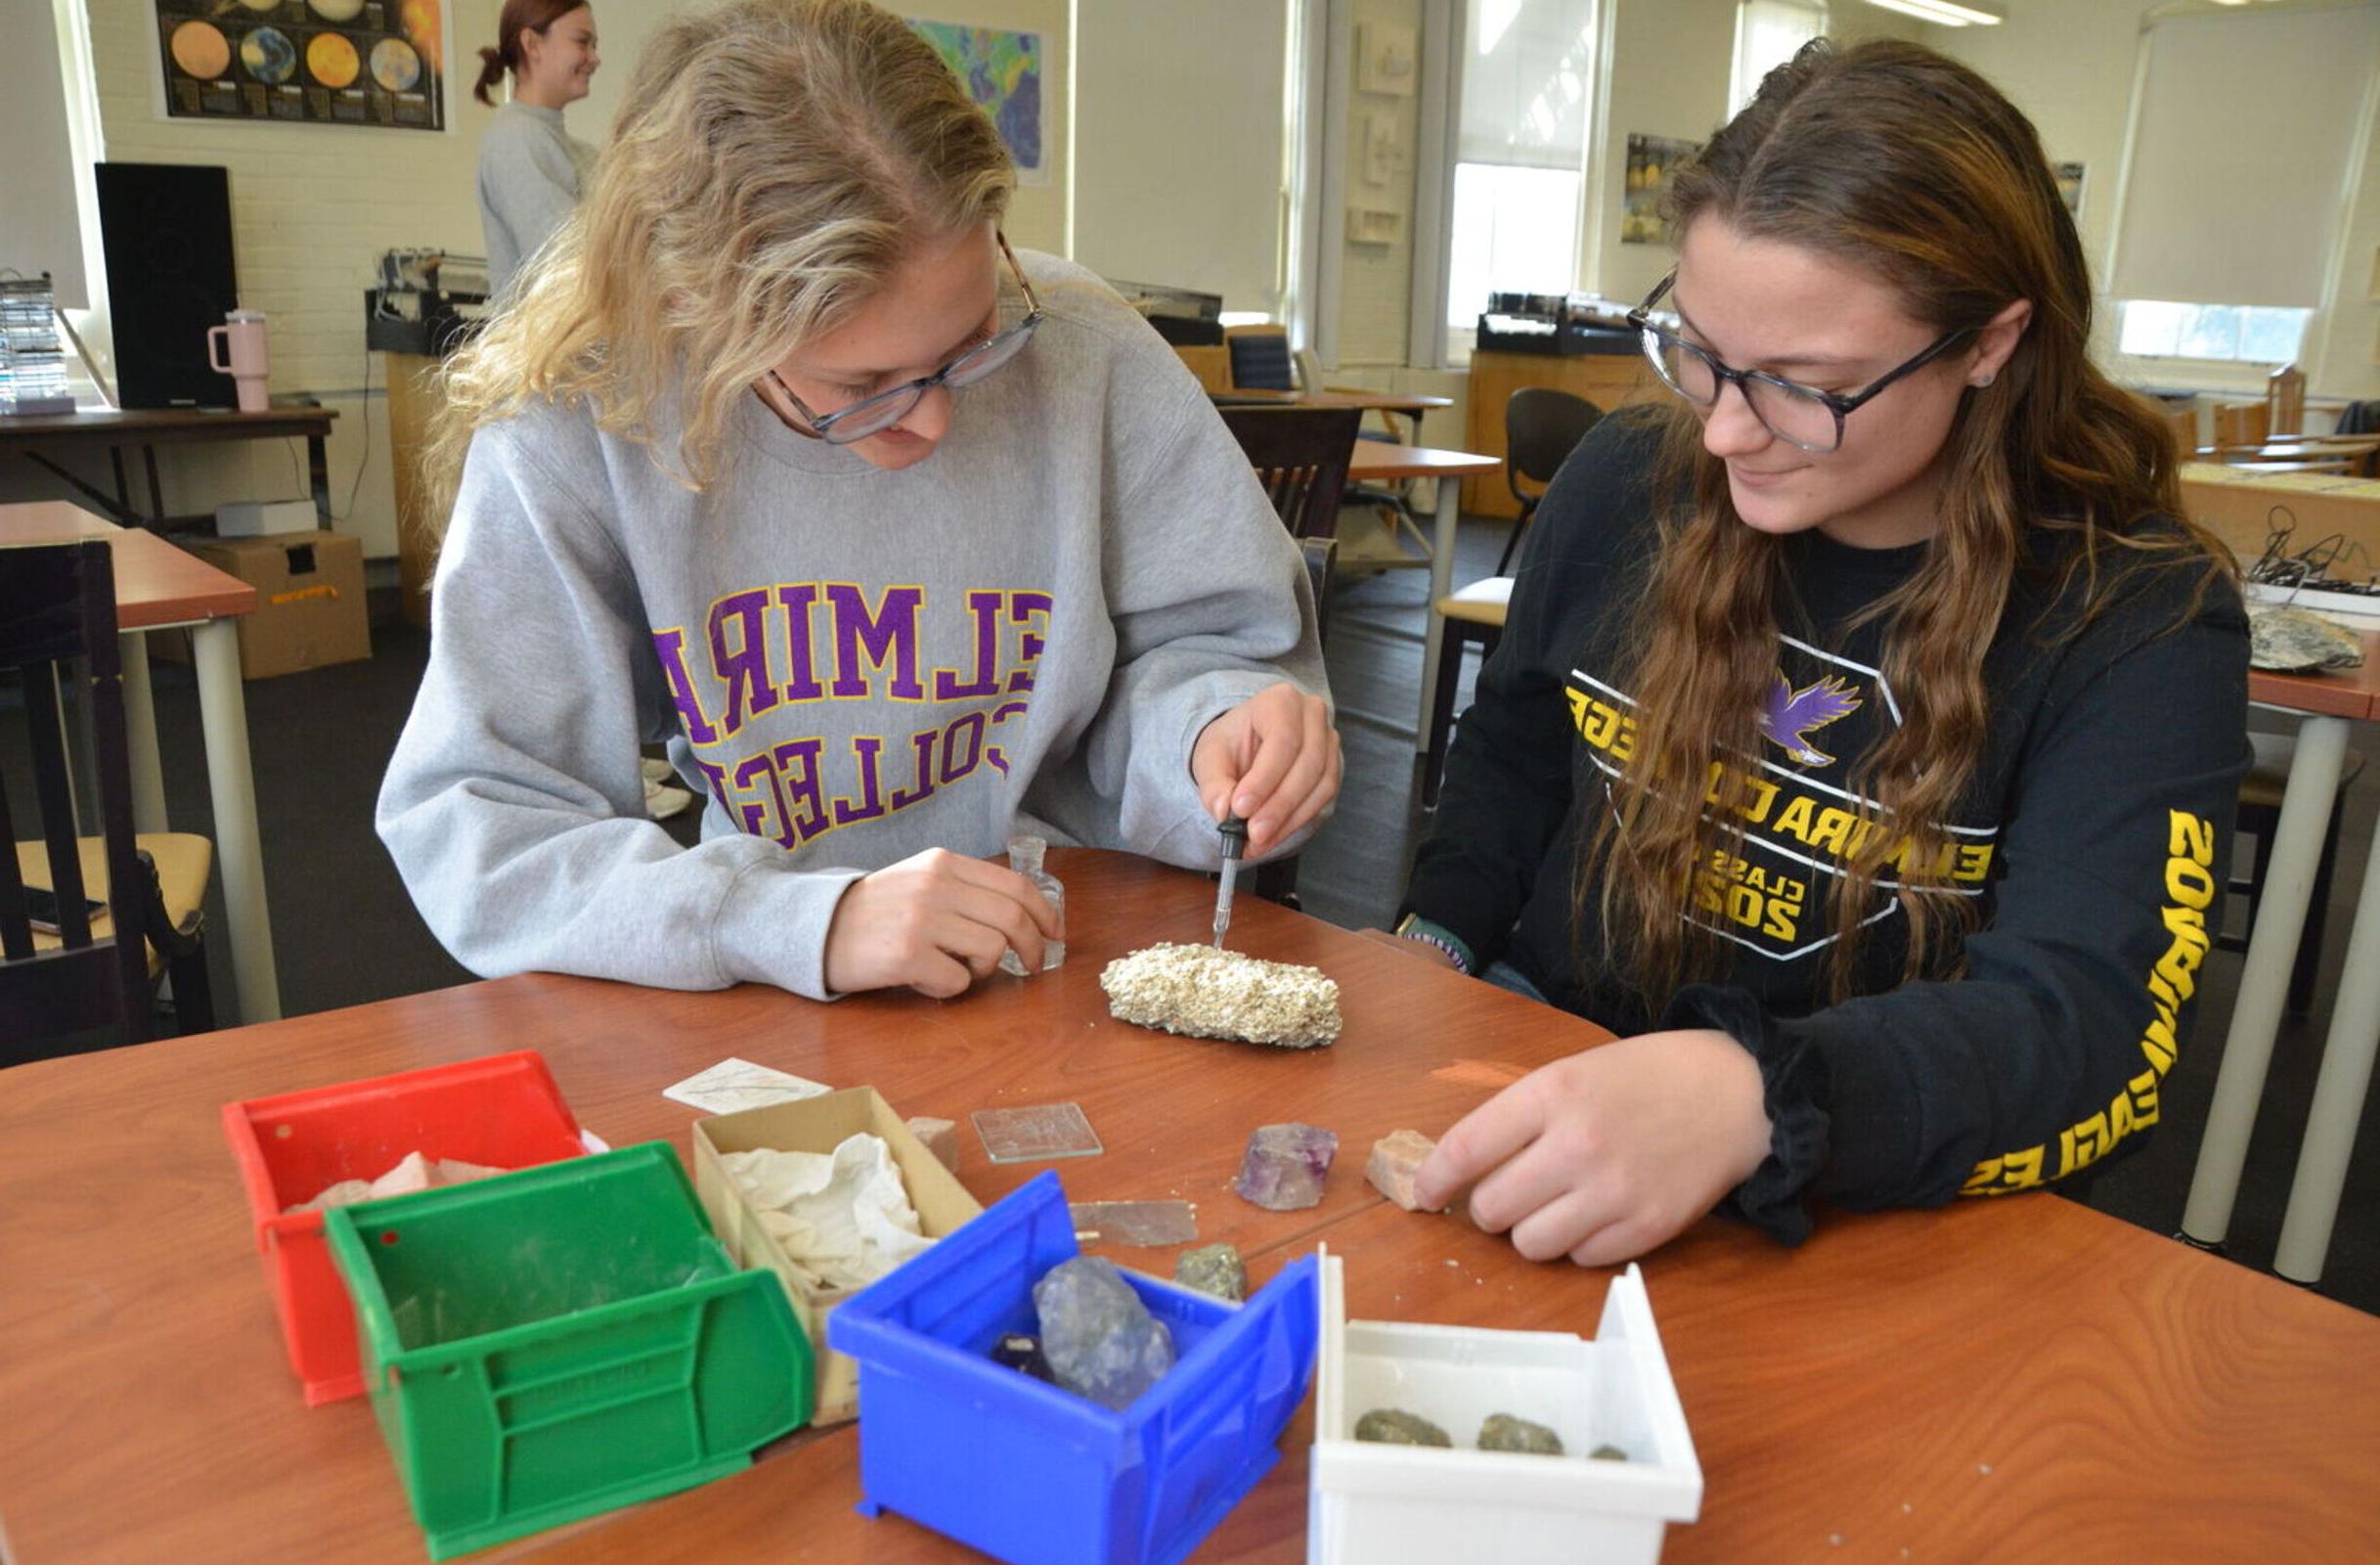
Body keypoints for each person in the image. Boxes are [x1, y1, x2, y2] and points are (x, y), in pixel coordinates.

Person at [1384, 39, 2248, 1267]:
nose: (1728, 428)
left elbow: (2086, 1030)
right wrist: (1433, 953)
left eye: (1803, 384)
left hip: (1854, 1191)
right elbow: (1520, 752)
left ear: (1989, 343)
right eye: (1699, 349)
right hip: (1538, 1077)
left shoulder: (2136, 619)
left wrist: (1756, 1097)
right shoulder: (1629, 478)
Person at [378, 0, 1338, 1004]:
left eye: (971, 344)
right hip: (768, 987)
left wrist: (1211, 734)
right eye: (860, 387)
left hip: (1077, 951)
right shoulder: (579, 419)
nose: (931, 423)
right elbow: (483, 824)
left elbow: (1221, 649)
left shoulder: (1081, 347)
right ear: (697, 318)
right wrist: (795, 919)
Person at [472, 0, 603, 301]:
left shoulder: (579, 152)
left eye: (595, 45)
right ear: (532, 44)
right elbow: (566, 268)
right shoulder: (515, 139)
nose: (595, 59)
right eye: (582, 42)